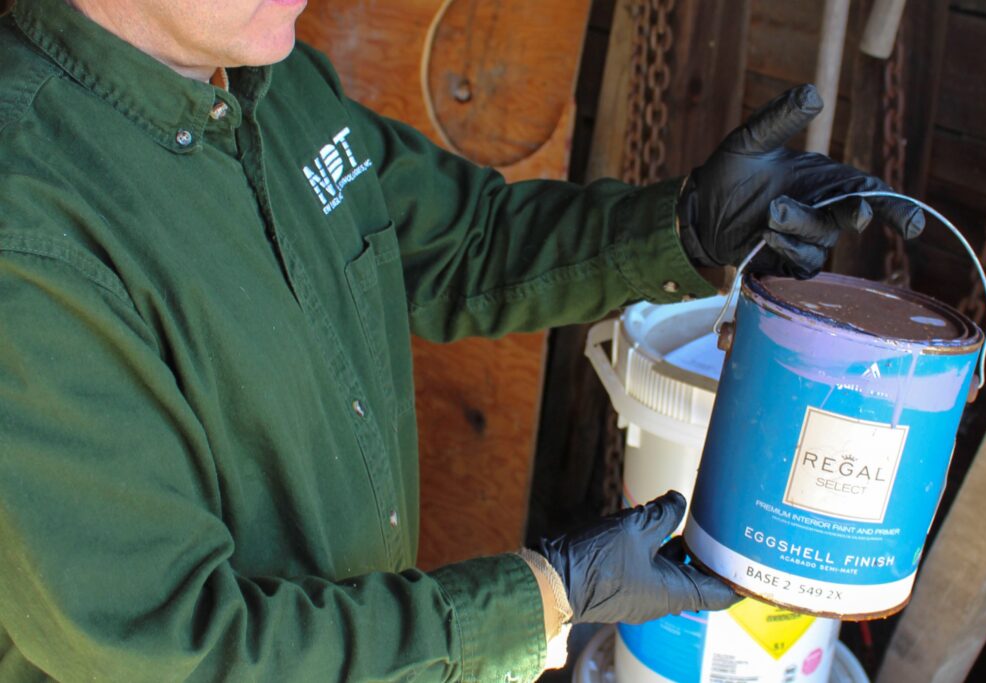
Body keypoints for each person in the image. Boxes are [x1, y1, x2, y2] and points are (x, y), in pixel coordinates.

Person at [0, 0, 924, 681]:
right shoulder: (29, 227)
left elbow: (459, 242)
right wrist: (542, 598)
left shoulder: (268, 86)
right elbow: (172, 646)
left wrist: (684, 228)